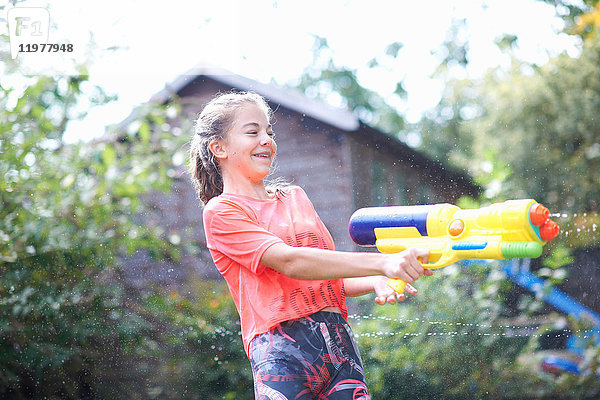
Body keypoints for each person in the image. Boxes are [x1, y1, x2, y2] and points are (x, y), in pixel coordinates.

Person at [189, 90, 432, 399]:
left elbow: (323, 274)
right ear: (218, 147)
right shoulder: (222, 212)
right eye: (253, 132)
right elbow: (291, 261)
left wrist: (376, 279)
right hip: (280, 351)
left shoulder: (295, 198)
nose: (266, 139)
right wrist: (382, 261)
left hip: (338, 344)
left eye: (269, 132)